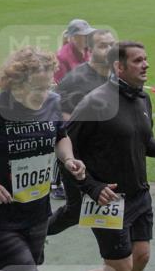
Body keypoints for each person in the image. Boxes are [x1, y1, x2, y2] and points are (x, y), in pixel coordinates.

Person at [67, 41, 155, 271]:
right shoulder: (94, 103)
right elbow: (66, 150)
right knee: (118, 269)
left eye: (146, 59)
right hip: (107, 200)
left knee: (141, 257)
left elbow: (143, 141)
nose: (146, 64)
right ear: (119, 67)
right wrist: (92, 187)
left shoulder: (143, 98)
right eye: (138, 60)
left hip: (139, 194)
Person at [0, 47, 86, 271]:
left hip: (38, 215)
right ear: (15, 84)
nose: (43, 95)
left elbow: (60, 136)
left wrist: (69, 159)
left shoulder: (52, 102)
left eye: (48, 86)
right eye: (36, 88)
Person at [48, 29, 117, 236]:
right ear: (89, 49)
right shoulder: (76, 80)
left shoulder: (115, 75)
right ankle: (31, 236)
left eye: (112, 44)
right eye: (103, 46)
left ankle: (117, 257)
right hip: (77, 158)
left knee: (111, 204)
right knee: (76, 211)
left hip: (104, 156)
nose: (110, 50)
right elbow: (56, 117)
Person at [54, 19, 96, 83]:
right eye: (85, 35)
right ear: (74, 37)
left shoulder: (89, 50)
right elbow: (61, 85)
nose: (88, 38)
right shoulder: (62, 57)